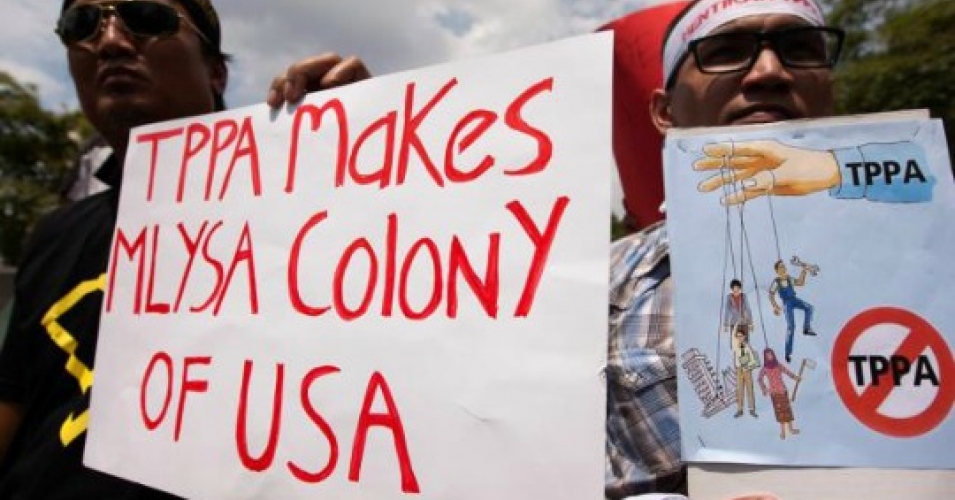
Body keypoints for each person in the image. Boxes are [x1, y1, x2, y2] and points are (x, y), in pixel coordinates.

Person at [0, 1, 369, 497]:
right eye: (81, 24)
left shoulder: (309, 212)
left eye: (147, 16)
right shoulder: (56, 233)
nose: (110, 41)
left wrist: (363, 166)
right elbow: (14, 396)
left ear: (215, 73)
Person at [605, 0, 842, 498]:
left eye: (799, 49)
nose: (769, 71)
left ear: (830, 89)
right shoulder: (597, 284)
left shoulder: (935, 258)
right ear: (664, 112)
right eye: (726, 51)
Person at [768, 259, 816, 363]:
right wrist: (775, 306)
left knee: (809, 308)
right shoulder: (776, 282)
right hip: (787, 304)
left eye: (784, 266)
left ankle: (806, 328)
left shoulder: (789, 279)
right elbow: (771, 294)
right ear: (777, 270)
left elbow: (800, 282)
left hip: (794, 300)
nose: (783, 268)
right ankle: (788, 353)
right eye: (781, 267)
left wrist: (804, 271)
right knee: (791, 327)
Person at [724, 279, 758, 418]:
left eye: (738, 288)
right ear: (732, 289)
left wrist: (751, 322)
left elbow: (748, 308)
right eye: (734, 288)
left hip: (744, 322)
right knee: (736, 345)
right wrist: (726, 324)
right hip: (734, 323)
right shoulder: (729, 298)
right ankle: (740, 409)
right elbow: (727, 311)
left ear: (740, 288)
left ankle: (751, 408)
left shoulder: (744, 296)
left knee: (745, 345)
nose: (736, 290)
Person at [757, 348, 801, 440]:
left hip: (783, 390)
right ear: (765, 357)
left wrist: (795, 377)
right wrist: (764, 389)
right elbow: (759, 379)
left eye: (770, 354)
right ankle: (783, 432)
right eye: (767, 355)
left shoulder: (778, 365)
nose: (769, 356)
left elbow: (787, 372)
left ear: (773, 354)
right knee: (780, 412)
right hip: (774, 393)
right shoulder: (765, 368)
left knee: (787, 410)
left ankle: (791, 429)